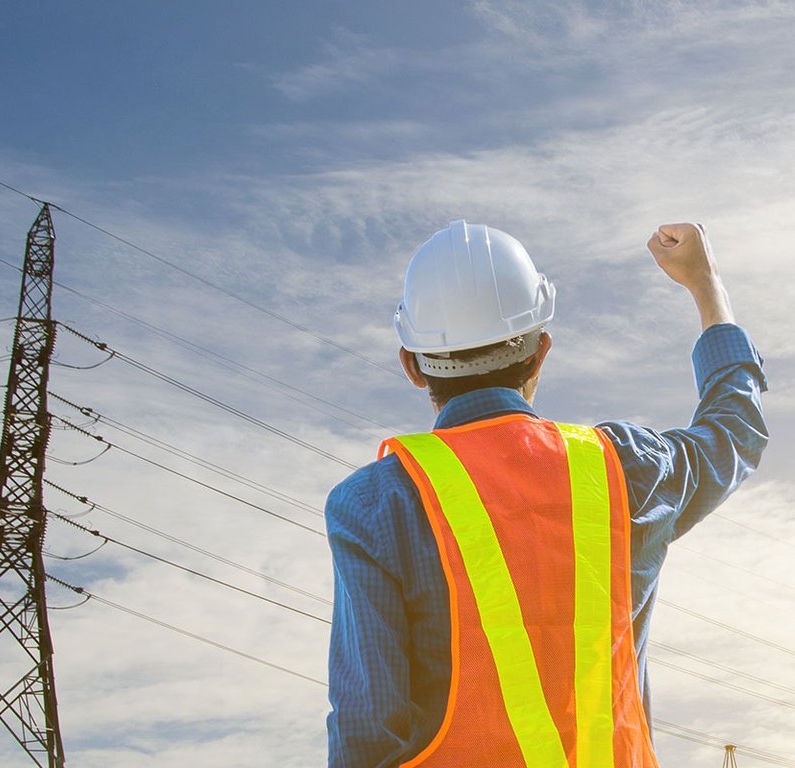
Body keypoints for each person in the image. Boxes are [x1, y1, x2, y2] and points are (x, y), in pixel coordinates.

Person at [325, 220, 768, 767]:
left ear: (413, 366)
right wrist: (707, 286)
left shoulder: (376, 504)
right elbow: (734, 434)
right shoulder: (625, 468)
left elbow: (366, 738)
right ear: (541, 353)